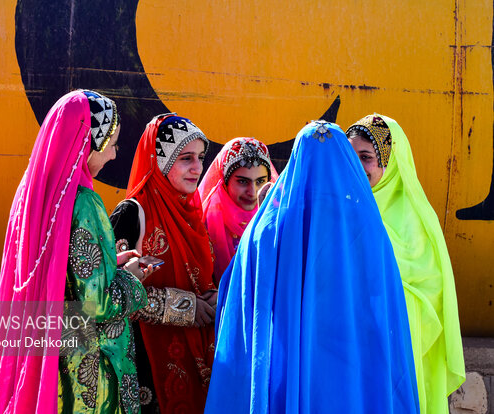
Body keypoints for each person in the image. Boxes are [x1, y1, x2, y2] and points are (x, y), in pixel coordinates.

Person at [205, 121, 419, 413]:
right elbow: (386, 306)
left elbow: (238, 296)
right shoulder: (367, 228)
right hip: (346, 367)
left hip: (283, 363)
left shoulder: (266, 228)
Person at [0, 90, 154, 414]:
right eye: (111, 144)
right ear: (87, 144)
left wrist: (106, 264)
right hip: (84, 373)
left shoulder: (31, 196)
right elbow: (96, 303)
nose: (115, 155)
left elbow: (55, 264)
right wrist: (131, 280)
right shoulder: (84, 202)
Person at [346, 114, 465, 414]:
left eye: (367, 157)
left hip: (396, 348)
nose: (357, 166)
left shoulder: (415, 220)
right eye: (350, 156)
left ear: (390, 161)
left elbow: (428, 291)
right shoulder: (348, 205)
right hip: (352, 345)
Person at [109, 114, 216, 413]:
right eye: (185, 158)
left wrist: (215, 296)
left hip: (197, 357)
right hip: (147, 366)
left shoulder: (194, 214)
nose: (197, 168)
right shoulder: (132, 213)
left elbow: (203, 277)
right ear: (160, 162)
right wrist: (182, 307)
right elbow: (109, 294)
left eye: (200, 157)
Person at [198, 137, 278, 284]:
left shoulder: (277, 222)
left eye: (260, 181)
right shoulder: (205, 225)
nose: (253, 192)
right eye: (242, 181)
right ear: (224, 181)